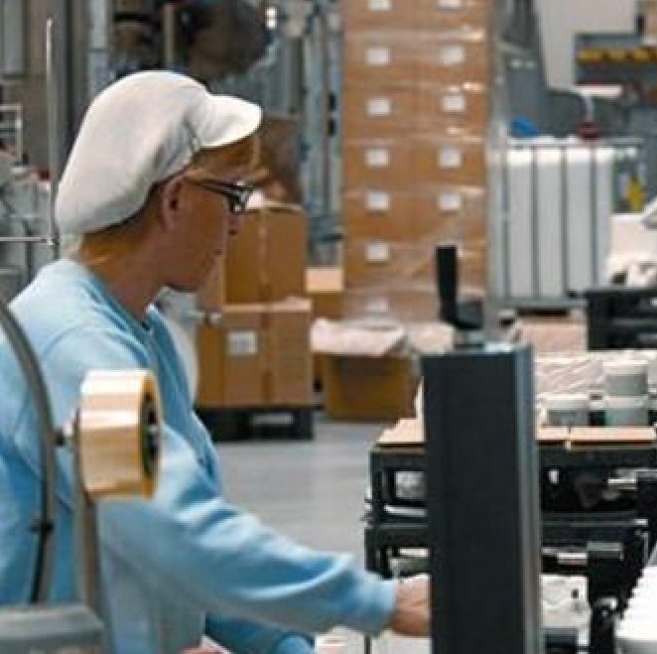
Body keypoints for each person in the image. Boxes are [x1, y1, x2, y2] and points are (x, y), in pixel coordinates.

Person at [0, 71, 429, 653]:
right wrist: (378, 603)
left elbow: (197, 562)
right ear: (175, 199)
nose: (237, 221)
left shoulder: (141, 334)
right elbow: (173, 531)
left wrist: (285, 647)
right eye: (232, 196)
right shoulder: (76, 343)